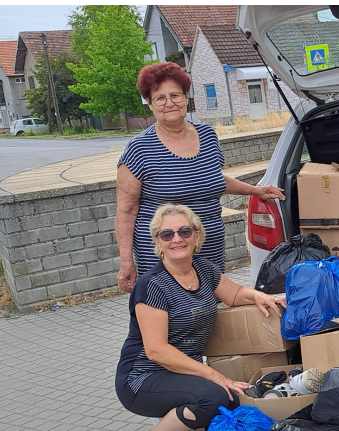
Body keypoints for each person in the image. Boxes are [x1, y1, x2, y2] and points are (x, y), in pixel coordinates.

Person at [115, 204, 286, 431]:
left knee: (231, 396)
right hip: (142, 377)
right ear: (158, 243)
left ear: (197, 235)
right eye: (167, 234)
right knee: (217, 397)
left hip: (180, 372)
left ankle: (170, 421)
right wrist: (216, 376)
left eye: (184, 231)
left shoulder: (203, 269)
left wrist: (259, 296)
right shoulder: (152, 286)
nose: (177, 239)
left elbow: (234, 295)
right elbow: (157, 351)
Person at [115, 61, 285, 292]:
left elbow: (210, 178)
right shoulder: (139, 148)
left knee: (210, 309)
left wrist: (255, 190)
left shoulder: (207, 135)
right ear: (150, 104)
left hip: (208, 244)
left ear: (186, 97)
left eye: (175, 95)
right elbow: (126, 210)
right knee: (170, 314)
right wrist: (127, 262)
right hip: (166, 250)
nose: (169, 103)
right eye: (160, 98)